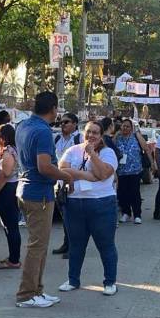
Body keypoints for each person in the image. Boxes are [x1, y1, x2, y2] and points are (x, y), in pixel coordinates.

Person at [14, 91, 73, 308]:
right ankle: (27, 294)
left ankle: (36, 290)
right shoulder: (43, 131)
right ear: (54, 109)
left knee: (38, 245)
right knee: (37, 246)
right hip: (39, 193)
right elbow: (44, 166)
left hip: (26, 188)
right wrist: (67, 176)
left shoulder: (23, 126)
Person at [57, 120, 119, 295]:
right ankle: (73, 279)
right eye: (88, 131)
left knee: (105, 245)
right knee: (76, 245)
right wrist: (87, 175)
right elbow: (62, 169)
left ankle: (109, 282)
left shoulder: (108, 153)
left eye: (95, 133)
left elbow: (103, 174)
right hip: (75, 203)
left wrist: (92, 155)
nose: (91, 136)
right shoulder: (72, 150)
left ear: (101, 136)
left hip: (102, 204)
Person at [0, 124, 21, 269]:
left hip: (7, 190)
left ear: (3, 137)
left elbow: (4, 175)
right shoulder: (12, 150)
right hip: (8, 189)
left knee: (10, 226)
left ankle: (14, 259)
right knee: (10, 226)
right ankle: (13, 256)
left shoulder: (8, 152)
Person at [51, 113, 82, 256]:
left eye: (66, 122)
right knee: (65, 215)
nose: (63, 125)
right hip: (59, 181)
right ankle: (66, 243)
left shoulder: (79, 138)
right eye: (61, 122)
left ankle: (75, 247)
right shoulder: (57, 138)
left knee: (74, 217)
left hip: (74, 180)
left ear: (75, 123)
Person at [114, 118, 149, 224]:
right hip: (121, 171)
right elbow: (111, 145)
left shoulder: (135, 137)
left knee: (135, 193)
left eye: (128, 126)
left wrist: (137, 134)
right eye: (123, 126)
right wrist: (116, 134)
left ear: (131, 128)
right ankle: (126, 213)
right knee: (122, 193)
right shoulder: (118, 137)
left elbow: (145, 147)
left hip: (135, 170)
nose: (125, 128)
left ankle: (137, 214)